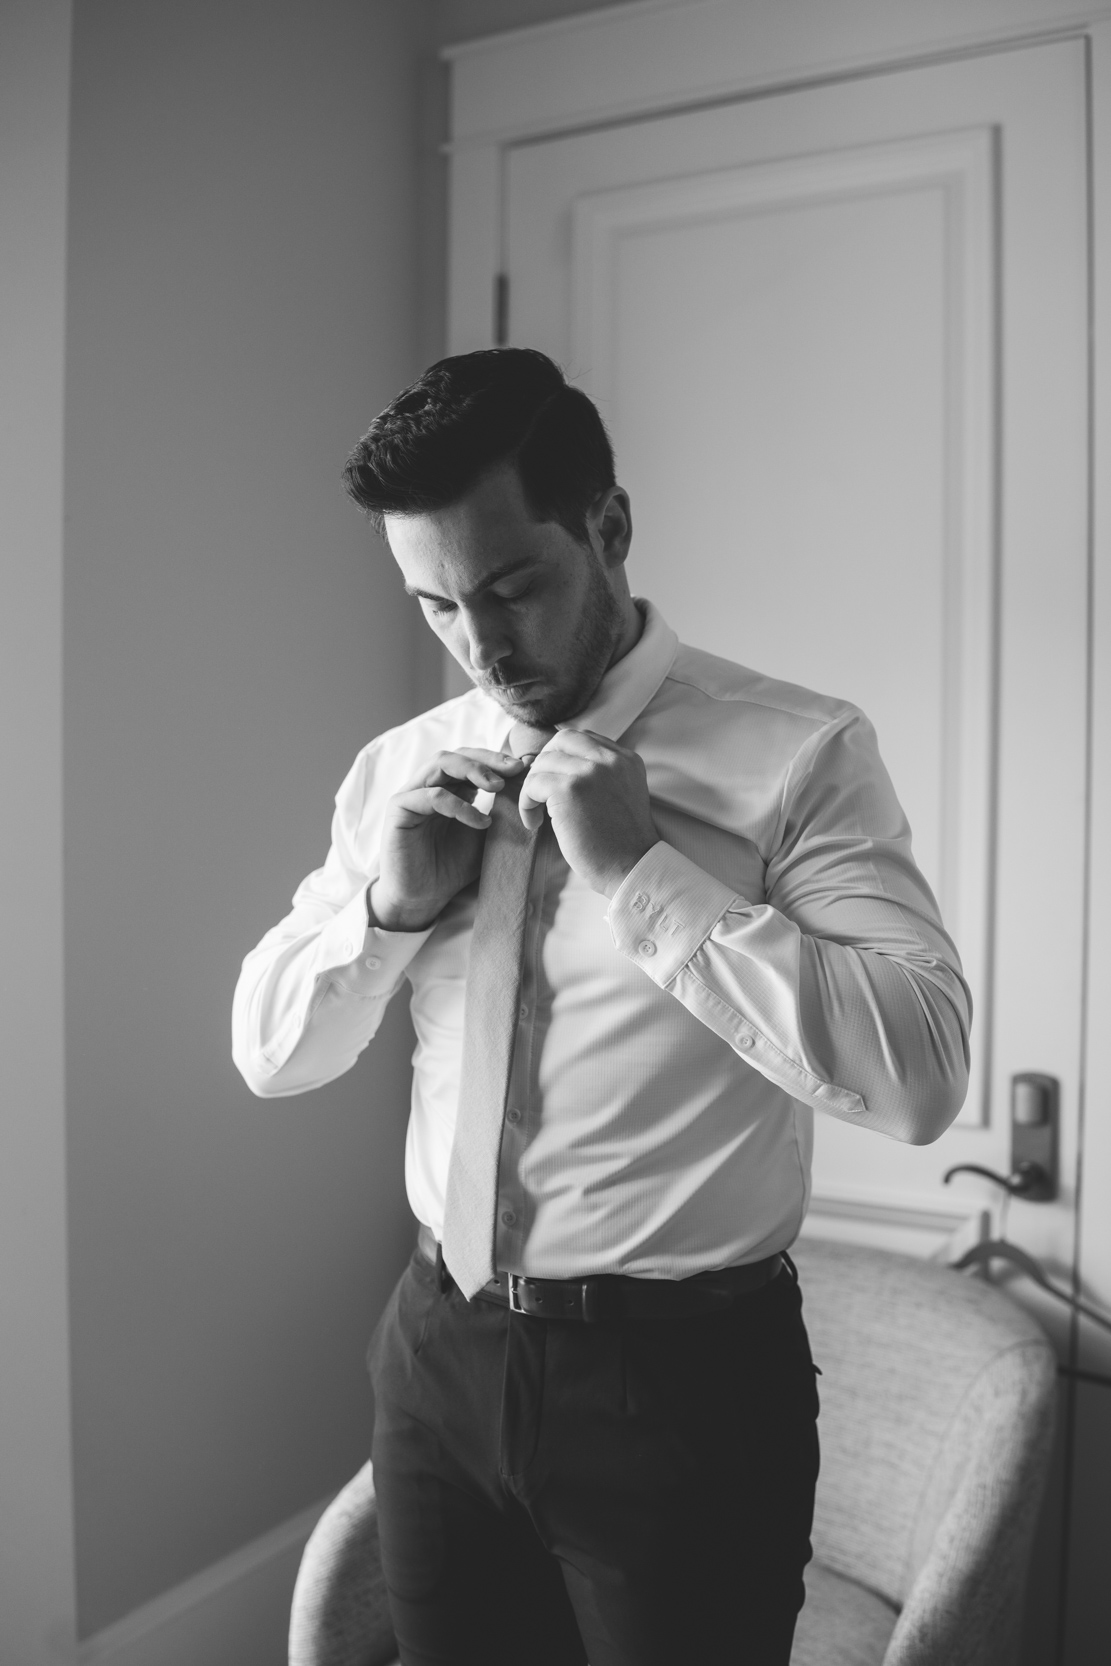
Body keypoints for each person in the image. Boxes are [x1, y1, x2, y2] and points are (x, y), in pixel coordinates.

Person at [232, 349, 970, 1666]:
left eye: (511, 586)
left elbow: (919, 1071)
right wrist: (389, 915)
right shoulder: (398, 771)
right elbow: (271, 1052)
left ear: (609, 526)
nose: (482, 643)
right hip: (437, 1353)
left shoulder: (797, 752)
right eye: (437, 606)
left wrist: (643, 875)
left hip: (680, 1388)